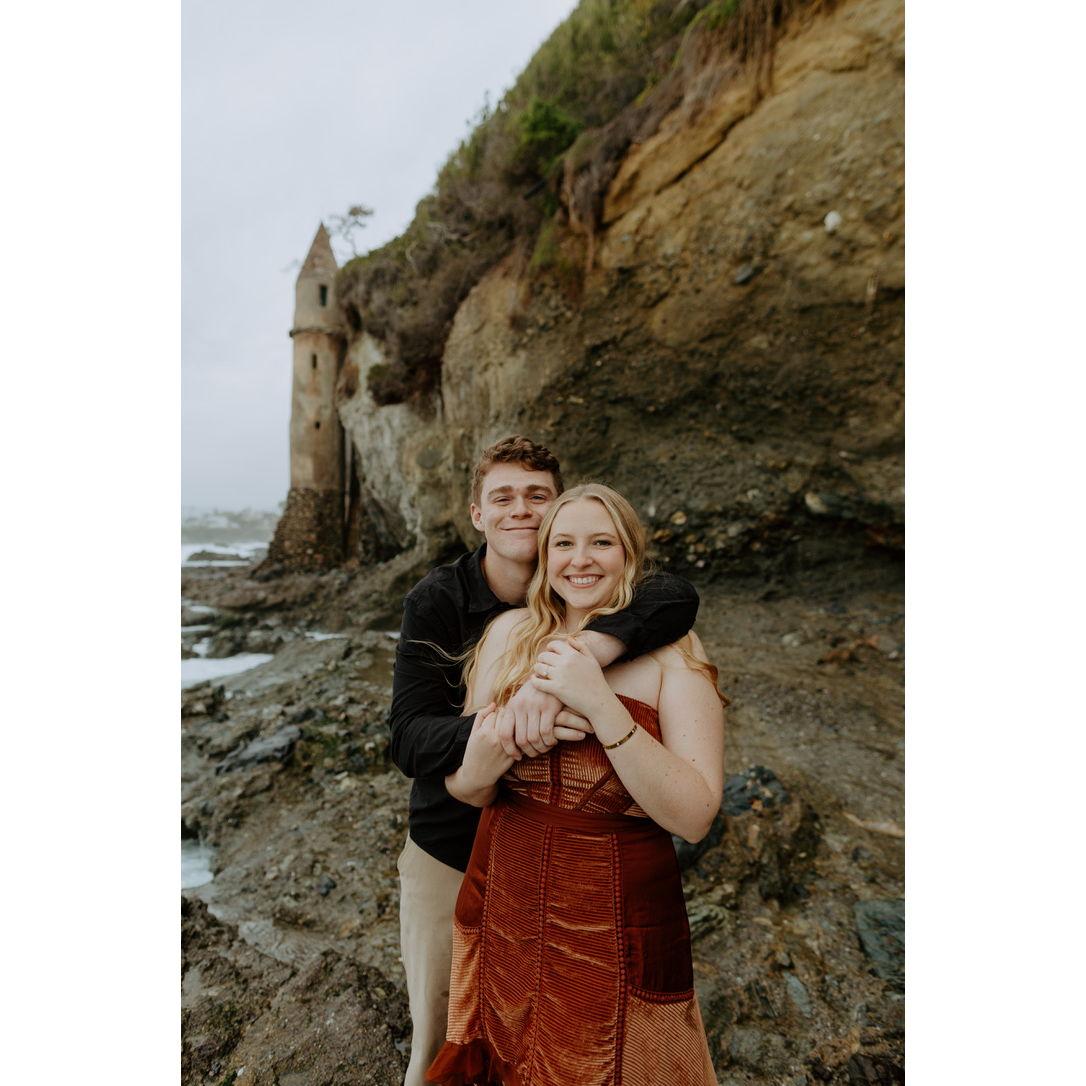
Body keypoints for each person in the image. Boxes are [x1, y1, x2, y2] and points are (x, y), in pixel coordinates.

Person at [389, 438, 701, 1086]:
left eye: (537, 497)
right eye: (502, 497)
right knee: (449, 1039)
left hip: (579, 874)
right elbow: (410, 739)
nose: (521, 511)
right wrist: (514, 720)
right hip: (454, 845)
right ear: (477, 513)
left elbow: (675, 594)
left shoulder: (617, 600)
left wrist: (582, 658)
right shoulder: (445, 602)